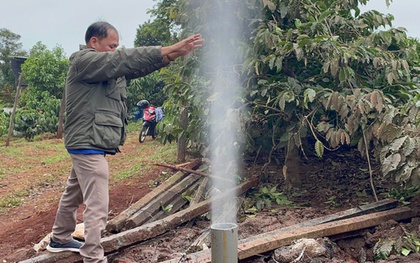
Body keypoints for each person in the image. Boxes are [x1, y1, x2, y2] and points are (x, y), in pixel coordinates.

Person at [46, 21, 203, 263]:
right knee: (97, 204)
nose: (115, 51)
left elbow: (133, 66)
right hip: (86, 141)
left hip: (90, 141)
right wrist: (166, 47)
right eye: (111, 46)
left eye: (117, 47)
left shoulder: (106, 67)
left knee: (73, 193)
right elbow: (121, 60)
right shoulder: (83, 61)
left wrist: (172, 55)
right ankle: (93, 257)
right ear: (93, 42)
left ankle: (59, 237)